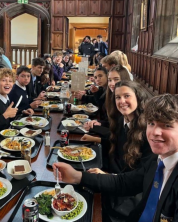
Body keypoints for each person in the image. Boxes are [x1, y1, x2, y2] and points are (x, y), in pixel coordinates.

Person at [53, 94, 178, 222]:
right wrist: (77, 176)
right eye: (151, 123)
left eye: (167, 125)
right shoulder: (157, 160)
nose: (155, 132)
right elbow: (123, 183)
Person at [0, 68, 18, 143]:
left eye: (10, 81)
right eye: (4, 80)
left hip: (8, 137)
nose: (7, 83)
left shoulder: (7, 98)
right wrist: (5, 115)